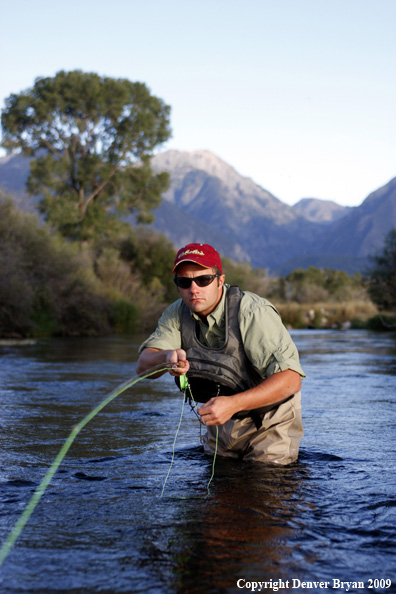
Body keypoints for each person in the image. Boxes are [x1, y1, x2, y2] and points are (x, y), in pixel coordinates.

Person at [136, 243, 305, 465]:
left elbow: (291, 380)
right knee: (224, 490)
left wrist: (233, 404)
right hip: (222, 421)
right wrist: (166, 357)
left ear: (220, 280)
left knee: (265, 488)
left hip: (271, 419)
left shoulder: (253, 311)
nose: (193, 289)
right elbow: (143, 367)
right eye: (184, 282)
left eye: (203, 280)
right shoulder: (176, 313)